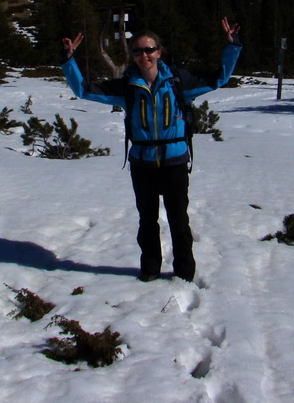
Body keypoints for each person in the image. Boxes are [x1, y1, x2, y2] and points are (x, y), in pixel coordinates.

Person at [60, 18, 242, 282]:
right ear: (132, 55)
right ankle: (150, 269)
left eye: (148, 50)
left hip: (174, 162)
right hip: (142, 164)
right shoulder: (127, 88)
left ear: (159, 52)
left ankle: (184, 271)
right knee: (147, 222)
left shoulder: (179, 82)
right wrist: (68, 60)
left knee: (179, 221)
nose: (143, 55)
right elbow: (83, 90)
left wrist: (232, 46)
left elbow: (219, 78)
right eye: (137, 51)